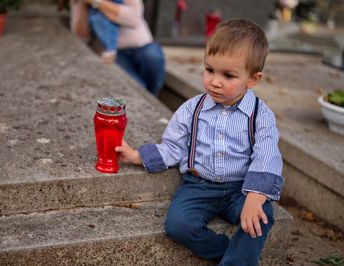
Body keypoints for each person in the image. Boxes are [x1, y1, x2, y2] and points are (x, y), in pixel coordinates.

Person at [115, 19, 284, 265]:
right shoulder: (192, 109)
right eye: (209, 70)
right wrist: (137, 156)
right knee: (178, 224)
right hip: (199, 186)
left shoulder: (260, 115)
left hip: (241, 189)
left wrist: (256, 198)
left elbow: (267, 155)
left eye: (228, 75)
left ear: (252, 79)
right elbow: (173, 146)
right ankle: (229, 253)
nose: (215, 81)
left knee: (261, 218)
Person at [70, 0, 165, 96]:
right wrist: (83, 4)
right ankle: (149, 100)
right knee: (137, 87)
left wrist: (96, 2)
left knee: (153, 57)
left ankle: (153, 98)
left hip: (143, 44)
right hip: (115, 53)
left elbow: (133, 19)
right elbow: (82, 36)